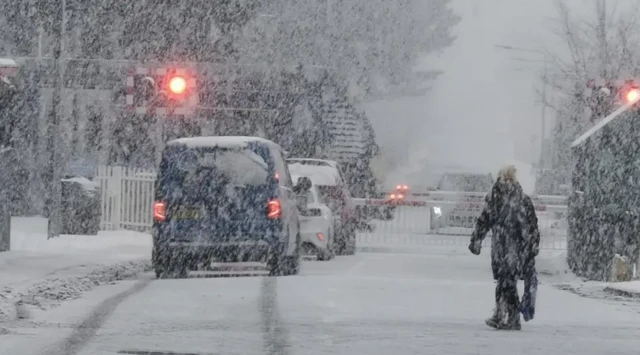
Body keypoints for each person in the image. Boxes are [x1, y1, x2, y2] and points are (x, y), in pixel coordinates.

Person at [468, 165, 540, 330]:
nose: (506, 182)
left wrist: (476, 240)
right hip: (513, 249)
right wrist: (533, 246)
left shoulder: (497, 199)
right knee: (506, 281)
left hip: (507, 248)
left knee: (505, 281)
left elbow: (484, 220)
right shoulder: (521, 199)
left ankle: (504, 315)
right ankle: (506, 316)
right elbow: (532, 226)